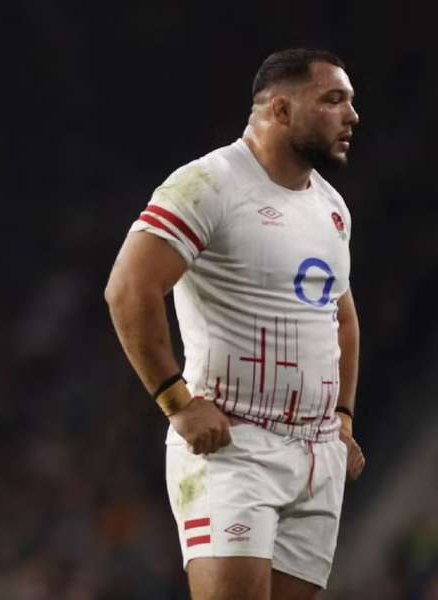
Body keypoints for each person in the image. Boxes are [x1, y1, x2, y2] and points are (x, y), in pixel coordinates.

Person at [104, 48, 366, 600]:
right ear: (281, 109)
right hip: (236, 446)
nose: (352, 115)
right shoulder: (210, 184)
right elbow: (129, 289)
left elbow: (339, 313)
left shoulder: (332, 206)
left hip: (317, 455)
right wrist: (176, 400)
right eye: (333, 99)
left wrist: (342, 417)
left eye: (351, 101)